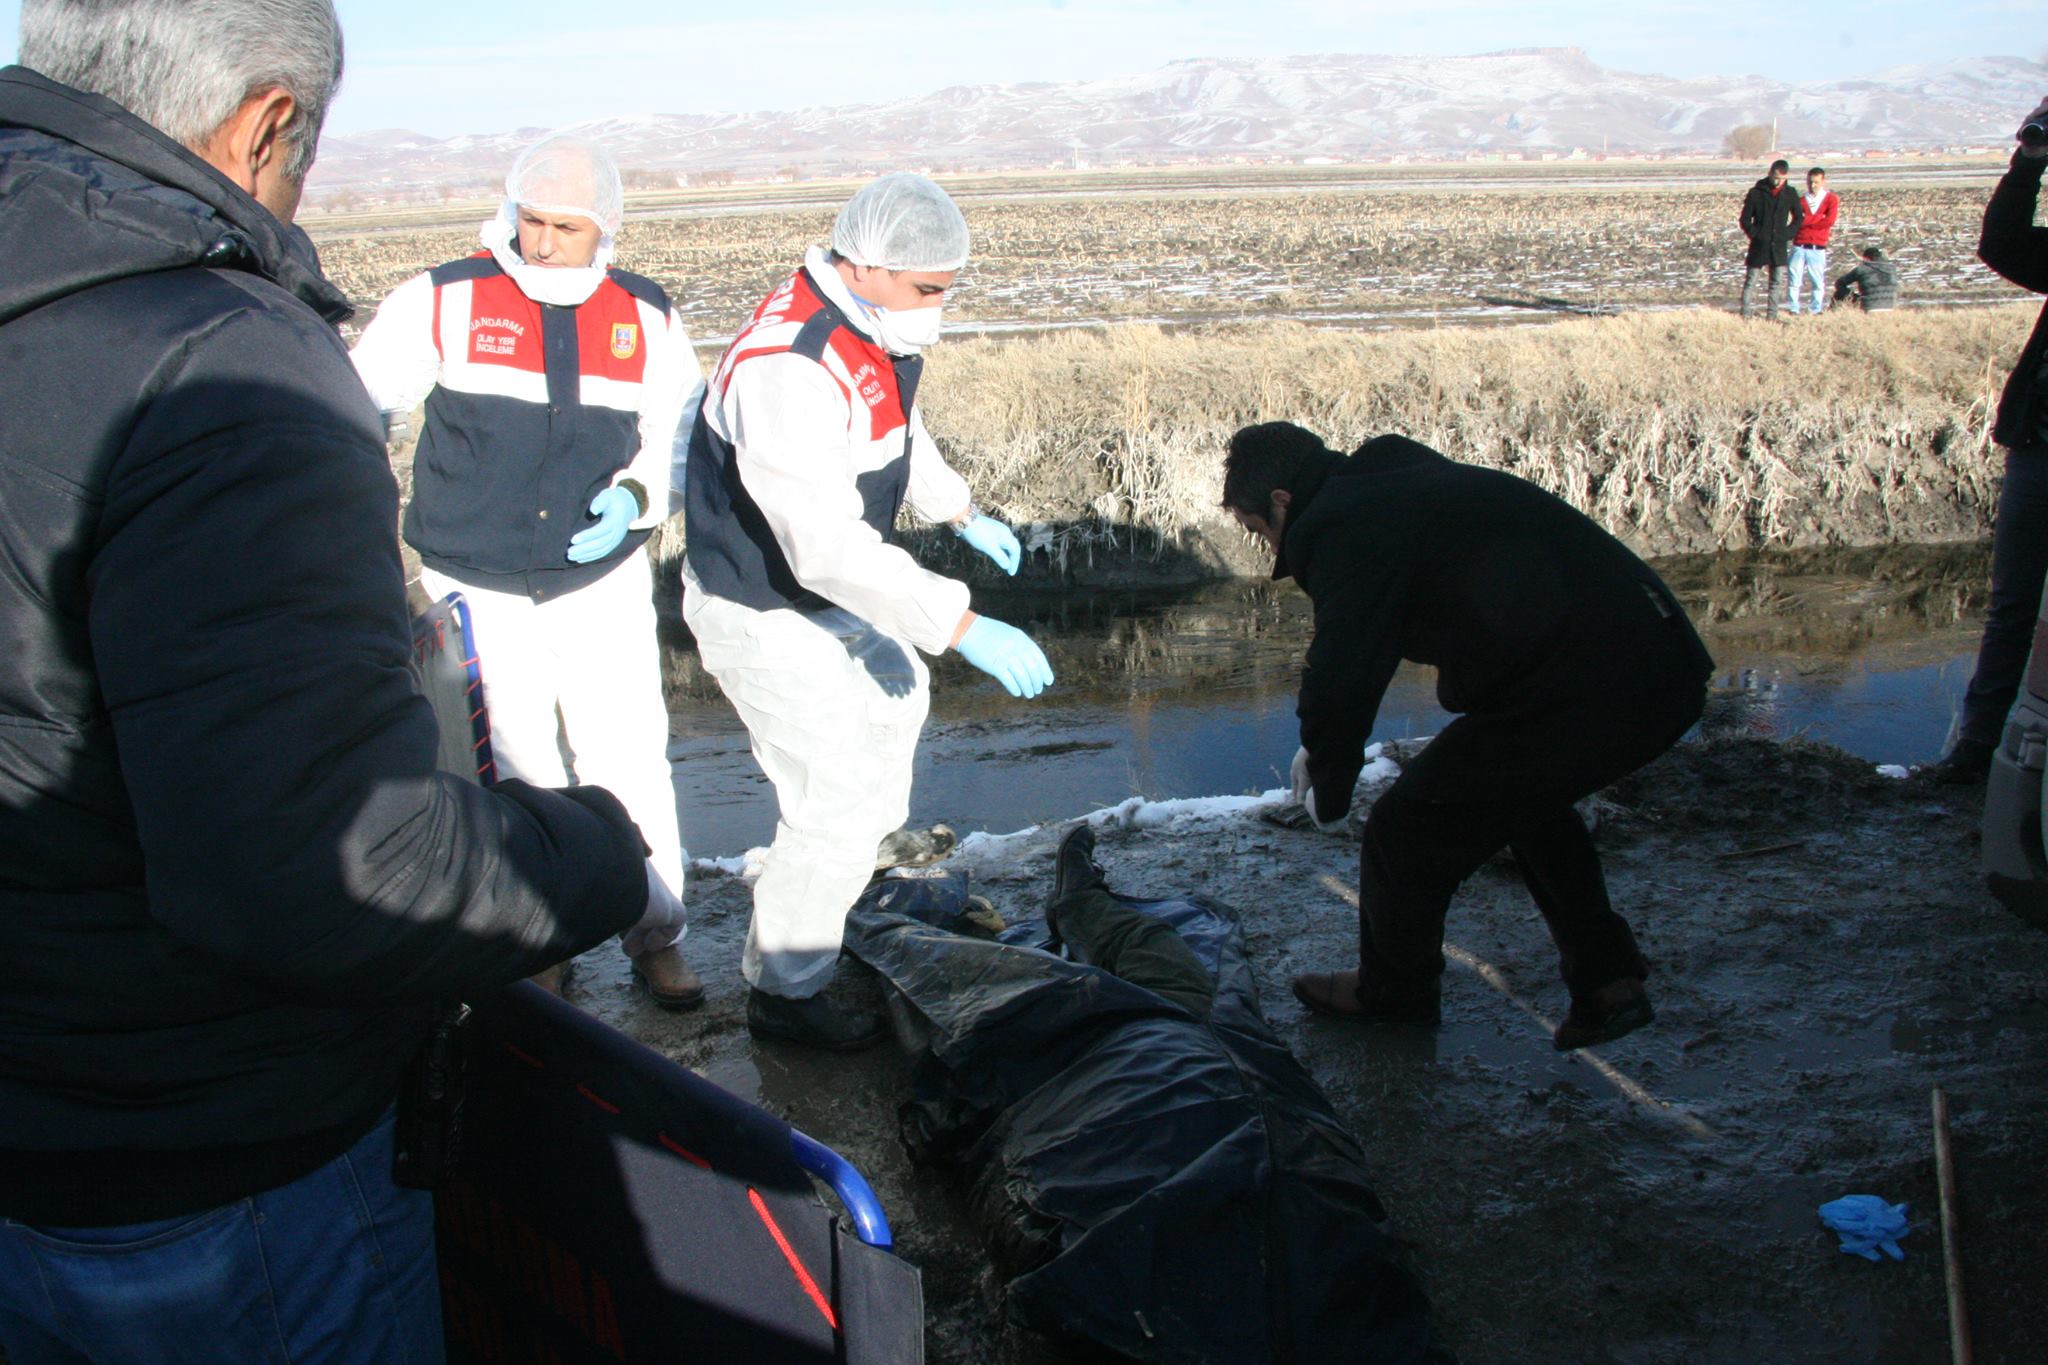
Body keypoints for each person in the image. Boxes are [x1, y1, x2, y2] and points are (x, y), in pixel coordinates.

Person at [0, 4, 677, 1361]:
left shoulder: (642, 320)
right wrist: (605, 862)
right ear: (267, 122)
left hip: (44, 1106)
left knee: (616, 738)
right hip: (200, 1163)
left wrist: (640, 503)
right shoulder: (226, 359)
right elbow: (319, 865)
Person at [679, 173, 1055, 1051]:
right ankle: (788, 989)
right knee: (833, 797)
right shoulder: (787, 366)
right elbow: (825, 546)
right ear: (865, 263)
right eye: (930, 288)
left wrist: (958, 508)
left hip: (828, 599)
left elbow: (895, 427)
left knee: (896, 705)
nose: (940, 307)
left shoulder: (869, 328)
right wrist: (961, 622)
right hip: (765, 603)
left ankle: (847, 891)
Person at [1221, 422, 1713, 1051]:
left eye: (1261, 531)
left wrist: (1328, 777)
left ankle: (1393, 993)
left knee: (1406, 829)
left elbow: (1344, 672)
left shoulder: (1344, 525)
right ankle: (1607, 984)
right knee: (1528, 803)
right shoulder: (1391, 482)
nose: (1270, 550)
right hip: (1656, 659)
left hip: (1594, 685)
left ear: (1284, 501)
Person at [351, 135, 703, 1007]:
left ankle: (656, 931)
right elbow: (359, 400)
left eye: (567, 228)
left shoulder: (645, 316)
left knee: (627, 755)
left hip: (599, 578)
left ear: (606, 230)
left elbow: (679, 430)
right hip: (475, 581)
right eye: (532, 221)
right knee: (512, 764)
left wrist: (637, 495)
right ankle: (538, 941)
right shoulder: (445, 299)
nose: (544, 243)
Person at [1929, 99, 2048, 784]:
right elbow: (2003, 245)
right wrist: (2029, 162)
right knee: (2012, 604)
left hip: (2041, 449)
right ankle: (1979, 752)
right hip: (2041, 447)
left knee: (2018, 610)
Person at [1739, 158, 1805, 321]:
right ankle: (1746, 314)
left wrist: (1787, 234)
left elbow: (1798, 218)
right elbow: (1745, 219)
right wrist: (1756, 234)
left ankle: (1772, 315)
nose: (1778, 181)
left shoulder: (1790, 193)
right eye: (1775, 177)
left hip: (1779, 245)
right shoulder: (1756, 192)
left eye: (1782, 178)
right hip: (1759, 245)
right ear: (1769, 173)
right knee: (1751, 280)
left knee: (1776, 282)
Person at [1788, 166, 1839, 315]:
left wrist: (1807, 220)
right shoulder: (1801, 200)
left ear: (1823, 181)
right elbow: (1797, 221)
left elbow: (1829, 221)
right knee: (1794, 280)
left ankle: (1816, 309)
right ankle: (1793, 308)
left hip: (1818, 246)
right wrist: (1818, 218)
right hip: (1799, 245)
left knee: (1817, 281)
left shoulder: (1831, 199)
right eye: (1810, 182)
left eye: (1816, 182)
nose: (1813, 185)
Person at [1833, 246, 1901, 312]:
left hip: (1869, 306)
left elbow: (1839, 283)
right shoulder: (1892, 269)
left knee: (1838, 293)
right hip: (1890, 306)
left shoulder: (1861, 269)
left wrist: (1853, 295)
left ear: (1866, 258)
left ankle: (1830, 314)